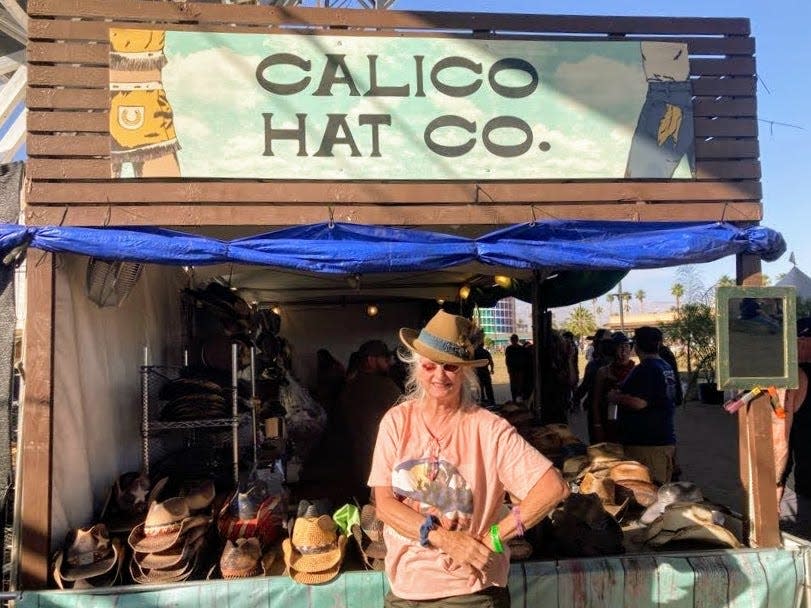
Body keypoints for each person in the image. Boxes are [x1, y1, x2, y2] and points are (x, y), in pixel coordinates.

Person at [369, 311, 569, 607]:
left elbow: (553, 488)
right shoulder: (396, 422)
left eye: (450, 366)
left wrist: (494, 540)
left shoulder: (489, 428)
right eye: (429, 365)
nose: (439, 375)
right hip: (405, 590)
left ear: (465, 372)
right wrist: (444, 538)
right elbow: (384, 504)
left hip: (469, 593)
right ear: (416, 366)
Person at [607, 326, 677, 485]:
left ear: (637, 346)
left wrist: (615, 397)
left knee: (647, 491)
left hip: (647, 444)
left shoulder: (646, 368)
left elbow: (639, 402)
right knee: (660, 488)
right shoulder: (665, 366)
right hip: (663, 438)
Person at [337, 339, 403, 501]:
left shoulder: (350, 386)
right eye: (385, 359)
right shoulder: (385, 387)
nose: (389, 363)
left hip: (357, 459)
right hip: (382, 458)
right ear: (371, 360)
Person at [777, 318, 811, 538]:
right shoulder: (795, 376)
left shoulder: (796, 377)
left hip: (802, 489)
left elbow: (782, 437)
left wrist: (777, 481)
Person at [590, 332, 635, 443]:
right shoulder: (603, 372)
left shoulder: (635, 370)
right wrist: (597, 425)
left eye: (626, 346)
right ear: (613, 350)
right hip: (609, 421)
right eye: (620, 347)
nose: (623, 351)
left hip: (631, 421)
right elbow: (595, 402)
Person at [473, 333, 496, 407]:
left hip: (478, 372)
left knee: (480, 388)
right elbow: (491, 362)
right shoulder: (486, 352)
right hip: (485, 371)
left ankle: (481, 401)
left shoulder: (475, 352)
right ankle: (491, 401)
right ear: (483, 345)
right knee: (488, 387)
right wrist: (492, 369)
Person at [504, 334, 526, 403]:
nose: (513, 341)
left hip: (517, 370)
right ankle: (516, 400)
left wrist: (508, 368)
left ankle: (516, 399)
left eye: (513, 339)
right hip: (516, 370)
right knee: (517, 385)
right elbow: (507, 360)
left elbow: (507, 360)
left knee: (517, 385)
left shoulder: (509, 348)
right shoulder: (520, 348)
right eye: (512, 339)